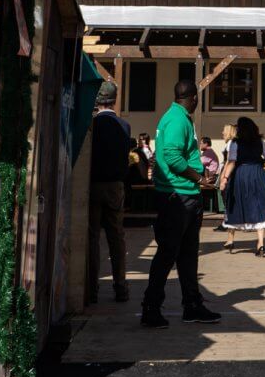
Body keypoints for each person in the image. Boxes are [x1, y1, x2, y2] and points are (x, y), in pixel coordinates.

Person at [141, 80, 221, 328]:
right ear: (194, 98)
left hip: (182, 194)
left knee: (186, 254)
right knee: (168, 253)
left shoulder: (176, 117)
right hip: (178, 195)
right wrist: (199, 178)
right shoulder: (177, 120)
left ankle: (192, 305)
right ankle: (151, 308)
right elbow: (174, 157)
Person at [87, 82, 133, 305]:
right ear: (114, 99)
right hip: (115, 185)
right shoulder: (124, 126)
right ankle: (120, 286)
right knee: (117, 238)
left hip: (93, 183)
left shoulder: (92, 125)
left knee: (92, 238)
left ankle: (91, 288)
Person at [220, 117, 265, 255]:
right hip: (257, 173)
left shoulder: (235, 143)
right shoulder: (259, 141)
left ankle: (231, 238)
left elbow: (232, 161)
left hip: (241, 174)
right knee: (259, 205)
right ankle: (261, 245)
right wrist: (258, 160)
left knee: (239, 203)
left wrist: (224, 178)